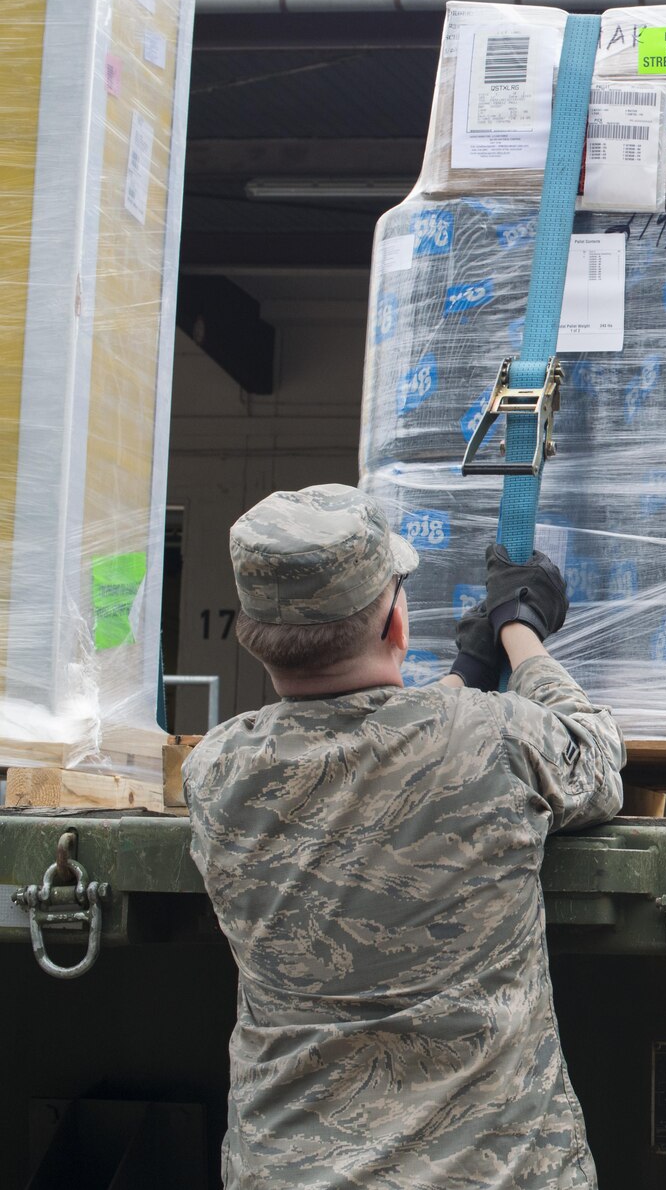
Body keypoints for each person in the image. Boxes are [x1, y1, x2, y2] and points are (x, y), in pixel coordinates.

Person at [182, 484, 624, 1189]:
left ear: (256, 638)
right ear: (396, 624)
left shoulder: (216, 773)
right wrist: (518, 630)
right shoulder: (494, 739)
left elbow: (368, 743)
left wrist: (464, 674)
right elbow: (596, 752)